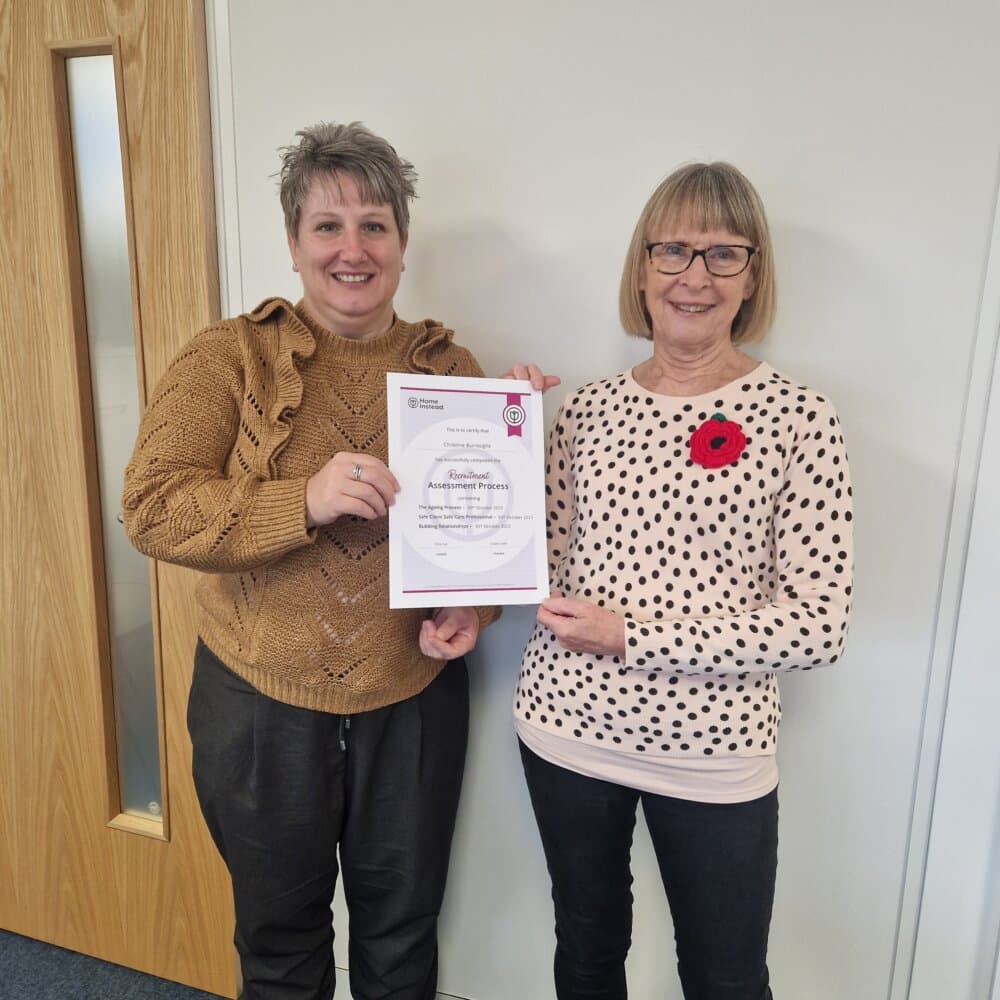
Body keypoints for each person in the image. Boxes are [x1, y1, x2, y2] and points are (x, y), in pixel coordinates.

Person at [121, 121, 555, 1000]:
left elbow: (477, 545)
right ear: (293, 243)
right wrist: (303, 501)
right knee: (280, 945)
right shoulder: (228, 357)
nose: (352, 249)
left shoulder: (452, 369)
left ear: (402, 243)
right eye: (327, 226)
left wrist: (472, 609)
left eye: (374, 226)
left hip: (413, 701)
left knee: (402, 938)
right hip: (259, 706)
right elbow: (151, 507)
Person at [514, 162, 854, 999]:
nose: (694, 276)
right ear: (642, 269)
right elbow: (536, 559)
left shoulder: (801, 418)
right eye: (672, 250)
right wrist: (500, 436)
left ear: (753, 276)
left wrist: (635, 636)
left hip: (714, 753)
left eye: (723, 253)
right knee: (586, 954)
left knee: (725, 977)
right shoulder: (585, 410)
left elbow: (819, 624)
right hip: (568, 729)